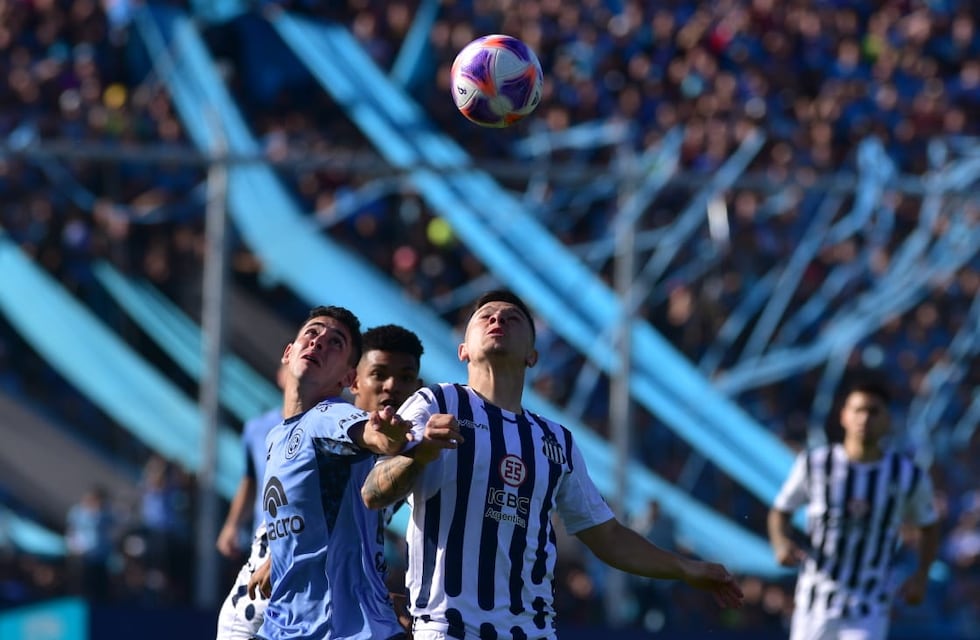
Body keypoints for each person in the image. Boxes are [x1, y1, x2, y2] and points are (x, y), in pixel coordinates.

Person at [361, 290, 744, 639]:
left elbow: (607, 536)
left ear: (533, 355)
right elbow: (374, 491)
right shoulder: (436, 404)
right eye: (486, 317)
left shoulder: (554, 440)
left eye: (512, 318)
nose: (497, 320)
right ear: (463, 350)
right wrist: (421, 451)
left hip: (534, 632)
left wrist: (685, 568)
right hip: (449, 629)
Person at [251, 307, 416, 640]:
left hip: (341, 630)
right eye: (312, 333)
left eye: (335, 342)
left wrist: (385, 438)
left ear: (348, 380)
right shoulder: (274, 436)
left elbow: (366, 435)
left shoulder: (328, 416)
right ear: (288, 352)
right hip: (283, 625)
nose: (319, 342)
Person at [767, 379, 941, 640]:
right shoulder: (815, 464)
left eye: (873, 411)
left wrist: (921, 575)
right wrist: (780, 543)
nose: (864, 419)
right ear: (844, 416)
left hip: (869, 605)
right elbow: (780, 511)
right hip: (815, 602)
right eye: (858, 410)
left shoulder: (907, 476)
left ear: (887, 420)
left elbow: (929, 525)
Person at [215, 363, 286, 640]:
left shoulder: (331, 424)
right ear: (281, 372)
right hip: (264, 546)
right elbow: (250, 479)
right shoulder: (257, 428)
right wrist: (232, 525)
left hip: (304, 555)